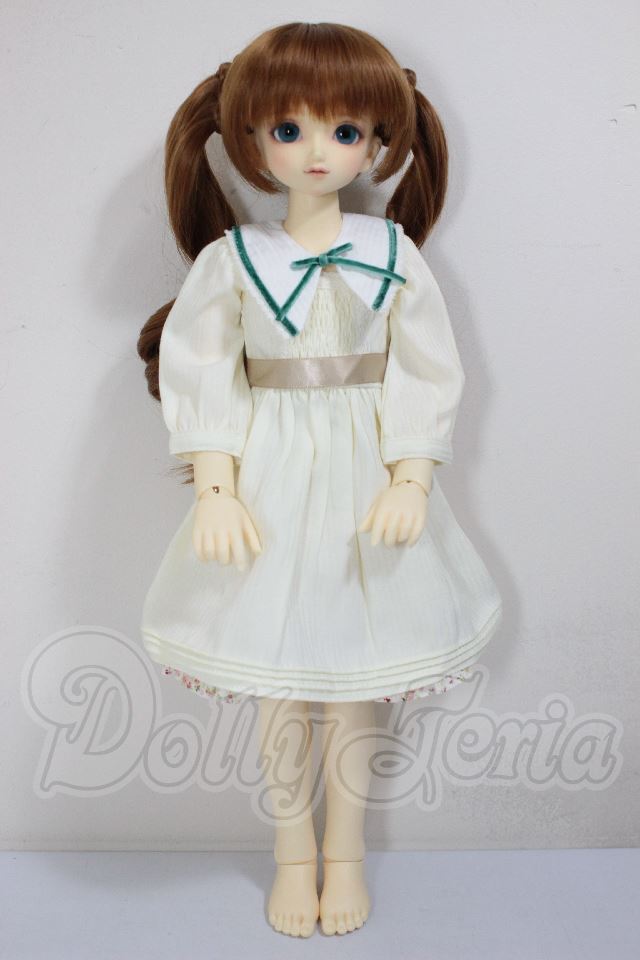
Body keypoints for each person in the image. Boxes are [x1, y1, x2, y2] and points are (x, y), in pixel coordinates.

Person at [137, 21, 502, 938]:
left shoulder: (392, 255)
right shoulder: (234, 262)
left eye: (345, 132)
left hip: (365, 484)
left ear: (379, 141)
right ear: (249, 138)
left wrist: (411, 476)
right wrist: (215, 487)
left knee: (351, 686)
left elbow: (427, 371)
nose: (316, 151)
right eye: (288, 129)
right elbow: (203, 374)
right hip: (269, 482)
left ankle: (346, 854)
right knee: (280, 685)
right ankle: (291, 853)